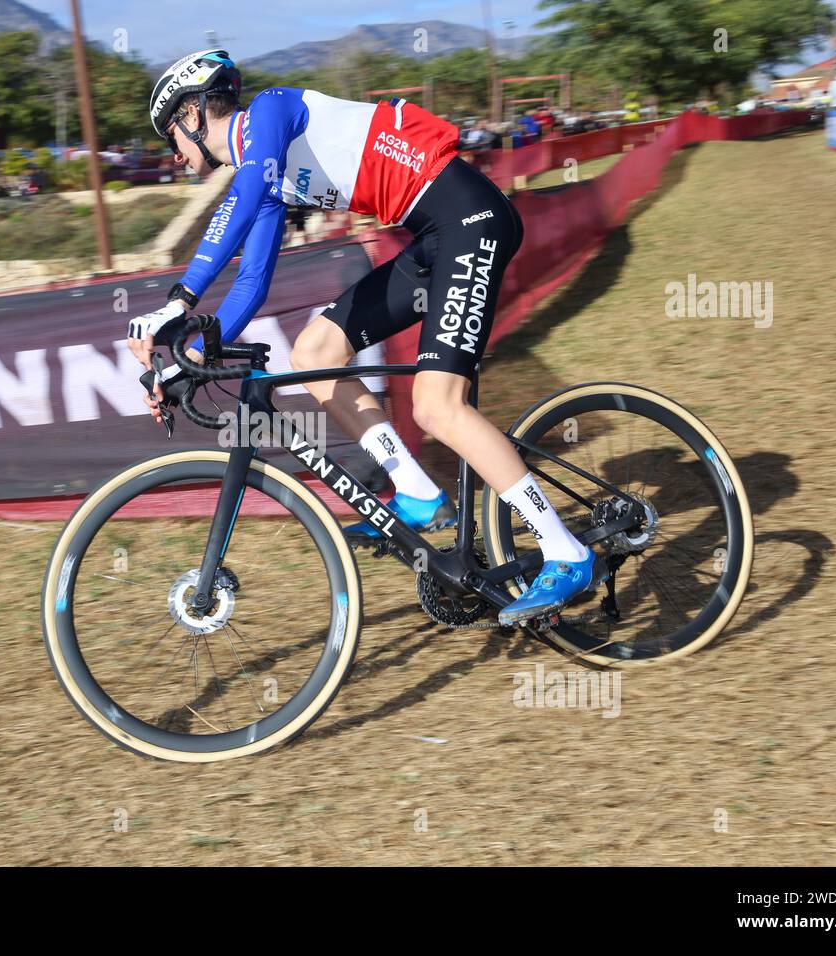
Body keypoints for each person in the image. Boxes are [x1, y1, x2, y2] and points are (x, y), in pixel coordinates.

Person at [125, 50, 604, 626]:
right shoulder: (271, 177)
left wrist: (178, 302)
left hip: (470, 221)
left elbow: (243, 197)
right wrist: (187, 359)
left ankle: (564, 550)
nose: (172, 153)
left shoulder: (272, 113)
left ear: (197, 112)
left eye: (171, 132)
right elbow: (251, 283)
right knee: (316, 352)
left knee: (436, 406)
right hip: (432, 237)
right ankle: (418, 493)